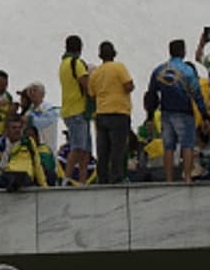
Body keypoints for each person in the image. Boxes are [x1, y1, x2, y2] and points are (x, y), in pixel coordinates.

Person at [145, 39, 210, 183]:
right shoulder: (187, 71)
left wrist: (149, 116)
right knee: (187, 145)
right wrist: (205, 116)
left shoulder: (159, 70)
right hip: (184, 113)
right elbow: (197, 94)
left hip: (166, 113)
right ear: (183, 52)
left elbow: (151, 95)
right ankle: (187, 177)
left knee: (168, 146)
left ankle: (169, 179)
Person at [89, 40, 134, 184]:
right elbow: (128, 85)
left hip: (101, 113)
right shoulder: (119, 67)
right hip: (119, 111)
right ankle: (116, 177)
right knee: (118, 148)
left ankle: (102, 177)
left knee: (103, 149)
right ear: (114, 53)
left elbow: (92, 93)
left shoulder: (96, 72)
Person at [0, 116, 47, 191]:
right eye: (14, 128)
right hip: (5, 175)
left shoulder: (28, 142)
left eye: (19, 128)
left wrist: (44, 186)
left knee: (17, 178)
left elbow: (37, 165)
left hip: (24, 176)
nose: (17, 130)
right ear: (6, 130)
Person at [59, 34, 93, 184]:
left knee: (85, 148)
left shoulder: (63, 64)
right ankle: (67, 178)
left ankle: (82, 180)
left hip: (69, 109)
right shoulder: (76, 63)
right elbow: (86, 84)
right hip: (78, 110)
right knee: (78, 147)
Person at [19, 82, 60, 154]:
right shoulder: (28, 111)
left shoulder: (49, 108)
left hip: (47, 148)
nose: (32, 93)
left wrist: (30, 120)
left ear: (43, 94)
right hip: (31, 149)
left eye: (35, 90)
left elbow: (45, 122)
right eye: (30, 91)